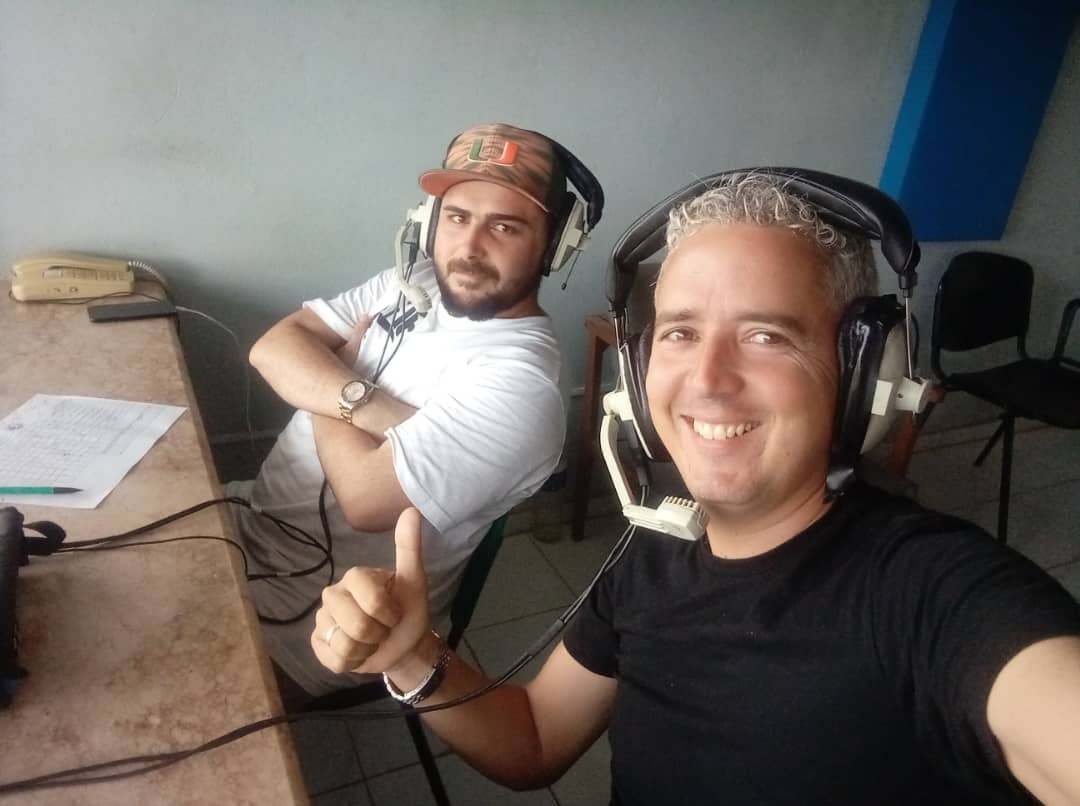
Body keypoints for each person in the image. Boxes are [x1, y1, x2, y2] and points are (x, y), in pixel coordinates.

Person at [310, 172, 1080, 803]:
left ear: (863, 376)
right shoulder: (653, 548)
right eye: (680, 331)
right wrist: (415, 660)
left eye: (766, 336)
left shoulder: (934, 593)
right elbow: (536, 741)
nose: (707, 381)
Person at [228, 122, 599, 700]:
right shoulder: (409, 282)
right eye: (457, 217)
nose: (470, 248)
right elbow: (272, 348)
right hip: (246, 523)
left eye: (504, 226)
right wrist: (366, 403)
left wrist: (333, 377)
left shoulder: (524, 384)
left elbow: (363, 499)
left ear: (555, 246)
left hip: (317, 623)